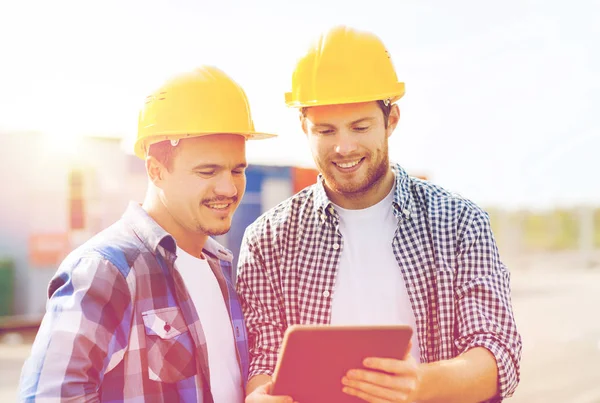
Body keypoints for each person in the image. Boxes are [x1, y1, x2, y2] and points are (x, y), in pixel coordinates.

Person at [239, 26, 522, 403]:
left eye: (360, 127)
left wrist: (420, 384)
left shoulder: (459, 222)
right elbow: (263, 359)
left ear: (391, 120)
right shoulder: (267, 240)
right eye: (325, 130)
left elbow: (498, 355)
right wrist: (259, 395)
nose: (343, 146)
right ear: (303, 127)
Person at [18, 66, 276, 402]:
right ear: (156, 169)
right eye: (207, 171)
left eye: (237, 169)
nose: (228, 187)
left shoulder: (222, 267)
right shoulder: (108, 271)